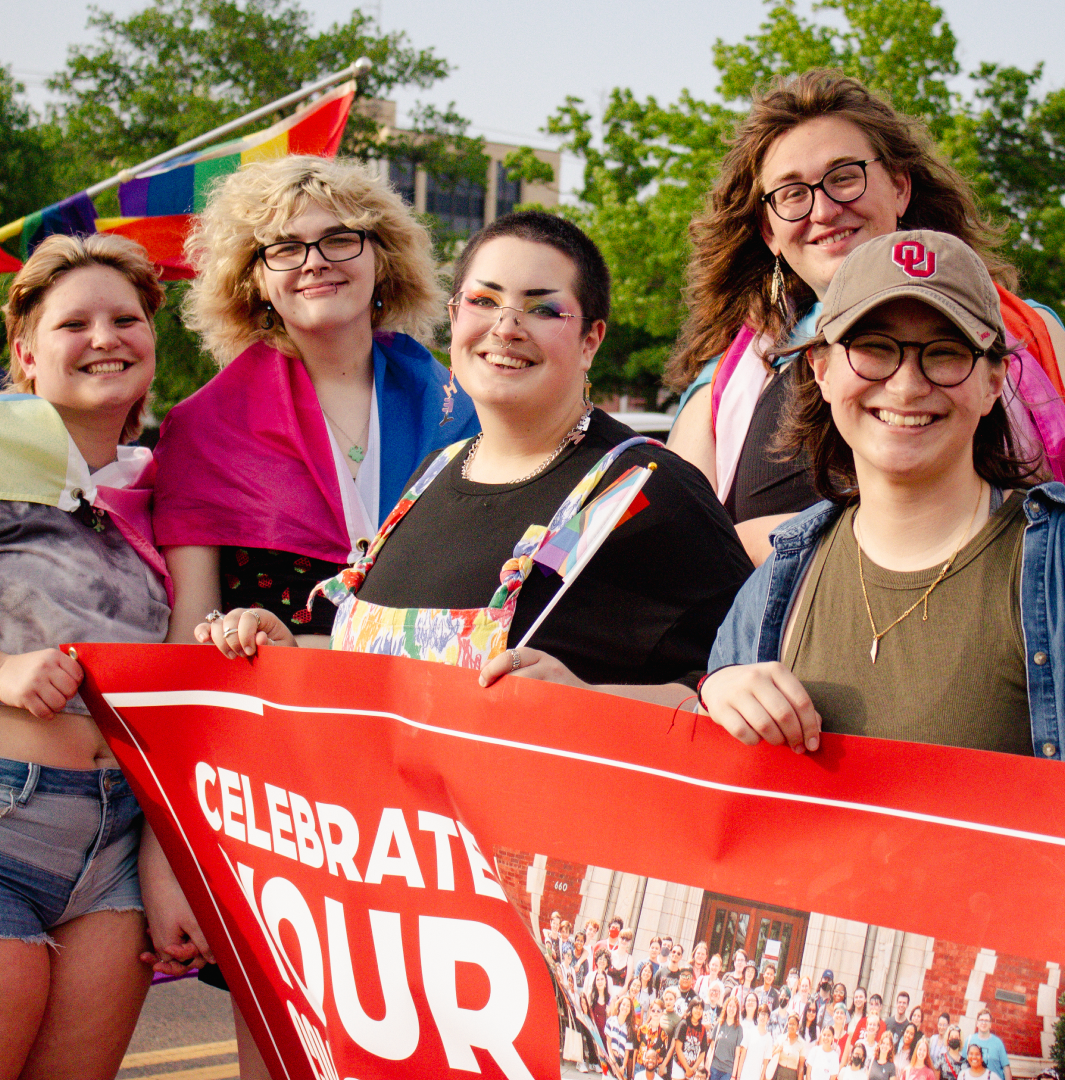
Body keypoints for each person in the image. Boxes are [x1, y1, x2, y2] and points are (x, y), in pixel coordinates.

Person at [144, 153, 481, 1072]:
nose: (314, 261)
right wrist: (164, 850)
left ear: (383, 258)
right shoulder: (202, 427)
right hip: (275, 792)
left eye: (341, 237)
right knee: (284, 1042)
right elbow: (188, 648)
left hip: (435, 785)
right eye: (282, 248)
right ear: (251, 278)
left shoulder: (468, 411)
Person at [204, 209, 752, 708]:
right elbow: (388, 673)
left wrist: (590, 700)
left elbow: (739, 685)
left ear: (591, 340)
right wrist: (291, 646)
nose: (505, 328)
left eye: (542, 308)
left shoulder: (645, 489)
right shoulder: (433, 474)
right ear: (453, 317)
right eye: (484, 302)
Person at [665, 69, 1065, 567]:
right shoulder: (724, 387)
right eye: (791, 193)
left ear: (899, 188)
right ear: (769, 232)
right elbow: (678, 557)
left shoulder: (1032, 335)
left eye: (845, 177)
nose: (825, 209)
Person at [701, 229, 1065, 760]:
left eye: (944, 353)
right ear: (821, 370)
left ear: (993, 381)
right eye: (873, 348)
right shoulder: (778, 581)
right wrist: (718, 693)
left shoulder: (1053, 565)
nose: (907, 385)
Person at [0, 233, 172, 1078]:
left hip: (116, 851)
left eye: (125, 318)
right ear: (26, 352)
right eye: (75, 323)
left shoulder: (164, 487)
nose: (106, 337)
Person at [707, 993, 746, 1080]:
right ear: (726, 1007)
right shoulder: (719, 1024)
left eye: (734, 1007)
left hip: (728, 1071)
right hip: (714, 1068)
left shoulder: (739, 1029)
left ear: (737, 1010)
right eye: (730, 1006)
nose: (731, 1009)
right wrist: (707, 1065)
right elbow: (711, 1047)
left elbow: (737, 1055)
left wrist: (733, 1075)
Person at [963, 1011, 1011, 1080]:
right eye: (981, 1020)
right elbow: (963, 1064)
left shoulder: (998, 1043)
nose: (984, 1023)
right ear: (977, 1023)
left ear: (990, 1024)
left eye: (987, 1021)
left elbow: (1006, 1067)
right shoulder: (969, 1040)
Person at [673, 997, 710, 1080]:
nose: (698, 1011)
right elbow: (678, 1049)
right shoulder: (684, 1024)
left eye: (701, 1009)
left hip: (692, 1068)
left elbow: (703, 1052)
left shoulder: (702, 1029)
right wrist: (687, 1068)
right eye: (696, 1008)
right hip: (678, 1065)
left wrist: (692, 1069)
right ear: (691, 1008)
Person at [608, 994, 640, 1080]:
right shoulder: (611, 1021)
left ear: (630, 1010)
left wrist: (623, 1067)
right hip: (610, 1059)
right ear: (619, 1006)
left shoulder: (629, 1029)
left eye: (628, 1006)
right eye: (623, 1004)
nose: (625, 1007)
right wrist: (613, 1062)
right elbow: (608, 1044)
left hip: (621, 1062)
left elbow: (627, 1052)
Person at [741, 998, 774, 1080]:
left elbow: (765, 1062)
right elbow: (742, 1055)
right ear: (758, 1015)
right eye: (761, 1014)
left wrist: (762, 1077)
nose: (763, 1017)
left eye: (765, 1015)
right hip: (744, 1074)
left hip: (756, 1076)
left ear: (768, 1018)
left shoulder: (769, 1038)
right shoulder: (750, 1032)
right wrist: (738, 1075)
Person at [773, 1010, 807, 1080]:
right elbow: (770, 1054)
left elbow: (801, 1066)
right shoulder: (780, 1038)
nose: (791, 1026)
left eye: (793, 1024)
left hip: (792, 1075)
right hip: (778, 1073)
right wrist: (777, 1050)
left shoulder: (801, 1043)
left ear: (797, 1026)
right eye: (790, 1023)